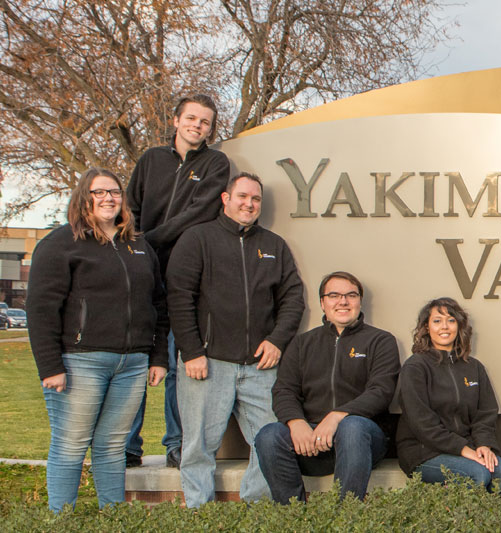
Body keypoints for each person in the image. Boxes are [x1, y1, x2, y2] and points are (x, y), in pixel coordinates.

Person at [27, 168, 169, 511]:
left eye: (115, 192)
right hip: (80, 362)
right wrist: (50, 366)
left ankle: (112, 518)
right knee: (71, 444)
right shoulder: (60, 244)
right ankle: (62, 520)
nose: (108, 198)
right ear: (83, 198)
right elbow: (41, 309)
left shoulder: (138, 245)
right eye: (99, 192)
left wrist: (159, 357)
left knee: (112, 446)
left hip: (132, 363)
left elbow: (158, 304)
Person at [169, 172, 305, 507]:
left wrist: (276, 340)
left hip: (260, 366)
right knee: (199, 444)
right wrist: (191, 352)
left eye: (256, 199)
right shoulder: (197, 239)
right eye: (242, 196)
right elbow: (179, 296)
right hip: (208, 361)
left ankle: (254, 508)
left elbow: (293, 298)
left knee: (270, 441)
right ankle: (199, 512)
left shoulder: (273, 245)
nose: (249, 204)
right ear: (226, 199)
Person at [125, 94, 230, 468]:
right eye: (191, 118)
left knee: (174, 365)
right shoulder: (151, 160)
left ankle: (176, 442)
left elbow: (197, 214)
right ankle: (127, 446)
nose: (197, 126)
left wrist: (147, 242)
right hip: (141, 275)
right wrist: (133, 249)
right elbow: (130, 209)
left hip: (182, 276)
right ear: (175, 120)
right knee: (136, 362)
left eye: (205, 122)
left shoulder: (216, 164)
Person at [255, 271, 401, 503]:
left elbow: (381, 391)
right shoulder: (302, 343)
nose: (343, 301)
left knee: (352, 426)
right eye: (334, 295)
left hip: (361, 440)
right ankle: (292, 517)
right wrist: (296, 422)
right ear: (322, 303)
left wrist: (336, 417)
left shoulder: (380, 341)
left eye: (350, 295)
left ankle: (346, 518)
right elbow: (284, 391)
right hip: (311, 442)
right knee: (268, 435)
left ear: (359, 302)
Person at [396, 297, 501, 493]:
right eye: (437, 321)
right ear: (426, 327)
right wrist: (464, 450)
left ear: (459, 326)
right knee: (478, 475)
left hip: (467, 447)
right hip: (424, 452)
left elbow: (485, 413)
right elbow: (422, 423)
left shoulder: (473, 367)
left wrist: (484, 445)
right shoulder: (415, 367)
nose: (445, 327)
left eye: (451, 320)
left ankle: (479, 519)